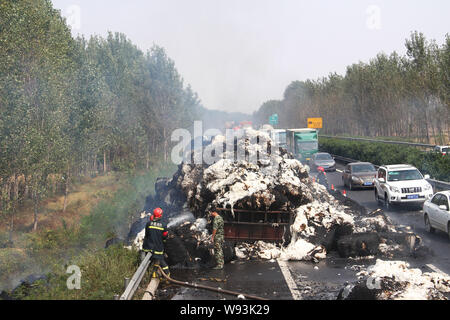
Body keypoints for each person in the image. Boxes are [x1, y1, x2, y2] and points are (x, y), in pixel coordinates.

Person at [142, 207, 170, 277]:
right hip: (158, 248)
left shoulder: (148, 224)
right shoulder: (163, 225)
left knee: (149, 261)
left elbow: (147, 235)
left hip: (148, 248)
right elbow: (165, 236)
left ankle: (153, 274)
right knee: (161, 261)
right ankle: (167, 276)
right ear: (160, 215)